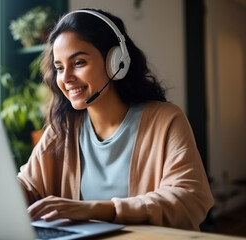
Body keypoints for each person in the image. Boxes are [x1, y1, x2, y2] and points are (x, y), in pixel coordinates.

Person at [17, 8, 214, 231]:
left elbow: (188, 199)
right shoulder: (63, 128)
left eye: (79, 62)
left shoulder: (165, 120)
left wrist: (97, 209)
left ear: (117, 62)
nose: (66, 78)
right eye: (59, 67)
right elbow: (27, 185)